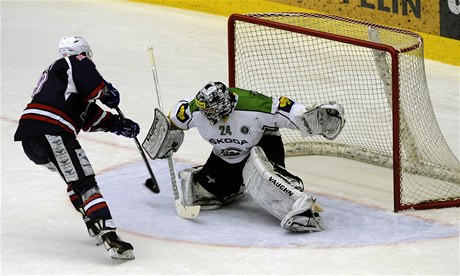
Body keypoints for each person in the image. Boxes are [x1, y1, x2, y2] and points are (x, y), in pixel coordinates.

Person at [148, 81, 345, 232]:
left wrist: (313, 117)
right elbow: (172, 121)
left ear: (224, 105)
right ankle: (233, 186)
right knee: (200, 195)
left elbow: (287, 110)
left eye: (209, 110)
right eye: (203, 109)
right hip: (225, 157)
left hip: (260, 147)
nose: (205, 114)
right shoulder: (195, 109)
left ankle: (296, 199)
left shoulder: (255, 106)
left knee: (265, 177)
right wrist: (166, 137)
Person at [14, 36, 139, 260]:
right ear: (82, 53)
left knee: (75, 180)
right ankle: (110, 237)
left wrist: (117, 124)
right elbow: (94, 86)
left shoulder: (60, 77)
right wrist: (107, 92)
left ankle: (93, 222)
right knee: (85, 182)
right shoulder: (75, 60)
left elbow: (88, 115)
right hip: (52, 131)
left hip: (31, 138)